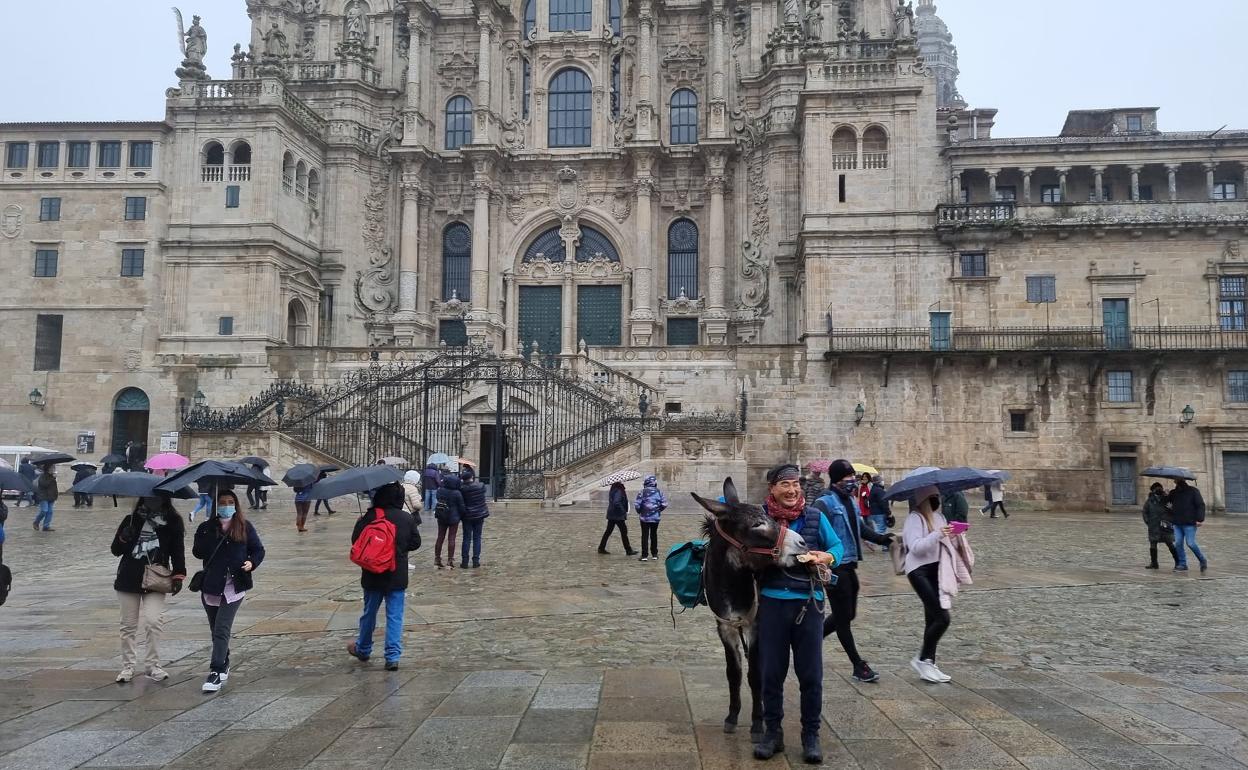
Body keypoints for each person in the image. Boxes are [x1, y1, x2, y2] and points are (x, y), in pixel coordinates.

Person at [754, 464, 843, 763]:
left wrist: (828, 556)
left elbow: (839, 547)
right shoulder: (761, 519)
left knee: (811, 674)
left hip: (809, 604)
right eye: (785, 485)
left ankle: (810, 735)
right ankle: (772, 733)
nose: (792, 490)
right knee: (771, 673)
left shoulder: (815, 516)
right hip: (772, 603)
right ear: (772, 489)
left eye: (796, 484)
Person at [813, 459, 893, 684]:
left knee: (848, 615)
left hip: (851, 565)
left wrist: (882, 538)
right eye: (847, 477)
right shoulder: (824, 504)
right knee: (842, 618)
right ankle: (858, 665)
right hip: (835, 566)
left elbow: (861, 529)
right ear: (837, 479)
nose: (852, 481)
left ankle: (811, 637)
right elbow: (818, 534)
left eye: (852, 477)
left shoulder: (851, 501)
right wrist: (823, 561)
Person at [192, 489, 265, 693]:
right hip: (211, 586)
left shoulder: (244, 527)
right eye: (222, 502)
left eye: (230, 502)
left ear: (236, 505)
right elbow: (198, 552)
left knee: (222, 628)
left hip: (234, 586)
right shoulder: (207, 527)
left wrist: (252, 563)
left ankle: (215, 671)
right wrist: (206, 532)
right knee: (215, 629)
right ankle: (224, 660)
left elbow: (258, 550)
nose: (226, 506)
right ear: (216, 505)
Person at [110, 496, 186, 683]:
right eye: (149, 497)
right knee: (128, 625)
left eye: (156, 497)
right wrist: (124, 537)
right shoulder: (132, 519)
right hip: (129, 577)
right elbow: (116, 550)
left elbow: (178, 550)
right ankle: (128, 666)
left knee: (154, 621)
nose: (153, 501)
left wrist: (178, 575)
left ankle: (153, 665)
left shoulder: (172, 522)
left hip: (155, 578)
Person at [347, 482, 421, 670]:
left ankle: (363, 649)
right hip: (397, 574)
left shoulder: (369, 517)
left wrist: (361, 522)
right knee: (395, 615)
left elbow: (356, 542)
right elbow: (415, 543)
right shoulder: (406, 518)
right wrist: (398, 549)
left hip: (372, 574)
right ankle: (392, 657)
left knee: (369, 613)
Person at [902, 484, 953, 683]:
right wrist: (938, 534)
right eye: (933, 497)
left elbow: (940, 544)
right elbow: (916, 548)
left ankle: (929, 662)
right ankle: (921, 658)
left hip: (936, 569)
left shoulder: (939, 517)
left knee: (932, 619)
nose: (936, 501)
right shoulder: (914, 519)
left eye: (937, 497)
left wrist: (954, 534)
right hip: (919, 571)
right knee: (943, 618)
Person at [1169, 478, 1208, 573]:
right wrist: (1165, 494)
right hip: (1177, 522)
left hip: (1190, 522)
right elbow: (1167, 502)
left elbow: (1200, 505)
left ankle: (1202, 560)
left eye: (1177, 480)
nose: (1175, 481)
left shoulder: (1193, 491)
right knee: (1178, 543)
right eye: (1175, 480)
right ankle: (1183, 564)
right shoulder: (1173, 492)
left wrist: (1199, 519)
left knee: (1190, 543)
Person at [1142, 482, 1179, 570]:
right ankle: (1154, 563)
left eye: (1159, 488)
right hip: (1153, 525)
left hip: (1165, 525)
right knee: (1153, 544)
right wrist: (1148, 522)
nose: (1158, 490)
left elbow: (1173, 510)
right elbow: (1145, 512)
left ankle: (1178, 562)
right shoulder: (1150, 500)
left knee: (1170, 543)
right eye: (1156, 488)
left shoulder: (1166, 498)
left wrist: (1168, 499)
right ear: (1153, 490)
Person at [433, 472, 465, 569]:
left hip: (442, 515)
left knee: (440, 537)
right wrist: (462, 515)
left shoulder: (440, 491)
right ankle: (450, 560)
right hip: (453, 517)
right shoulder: (457, 493)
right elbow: (462, 506)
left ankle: (437, 559)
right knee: (451, 538)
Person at [458, 469, 489, 568]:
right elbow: (483, 491)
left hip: (467, 516)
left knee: (466, 538)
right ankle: (476, 560)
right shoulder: (480, 486)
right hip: (479, 514)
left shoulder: (461, 489)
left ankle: (465, 561)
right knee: (477, 537)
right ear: (472, 477)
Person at [634, 475, 668, 562]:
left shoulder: (642, 492)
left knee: (645, 536)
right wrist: (658, 510)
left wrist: (640, 511)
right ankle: (654, 554)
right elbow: (664, 504)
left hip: (644, 518)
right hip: (655, 517)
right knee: (654, 535)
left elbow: (637, 504)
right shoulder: (659, 492)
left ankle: (644, 555)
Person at [598, 482, 637, 556]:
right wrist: (623, 510)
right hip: (617, 515)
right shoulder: (618, 491)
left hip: (612, 514)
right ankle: (628, 550)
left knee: (608, 531)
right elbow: (616, 502)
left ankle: (601, 547)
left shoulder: (613, 489)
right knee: (624, 532)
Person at [32, 464, 58, 532]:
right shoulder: (43, 476)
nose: (54, 469)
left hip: (51, 496)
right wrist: (53, 478)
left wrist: (55, 495)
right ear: (48, 469)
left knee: (50, 512)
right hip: (43, 496)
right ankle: (36, 522)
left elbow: (54, 487)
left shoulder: (52, 476)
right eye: (53, 468)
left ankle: (46, 526)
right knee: (44, 510)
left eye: (54, 468)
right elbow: (44, 484)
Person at [867, 474, 891, 540]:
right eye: (882, 480)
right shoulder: (879, 490)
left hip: (873, 512)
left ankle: (885, 546)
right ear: (879, 481)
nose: (883, 482)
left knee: (880, 529)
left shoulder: (873, 489)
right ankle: (870, 542)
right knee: (881, 530)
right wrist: (888, 513)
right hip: (879, 513)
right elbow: (884, 503)